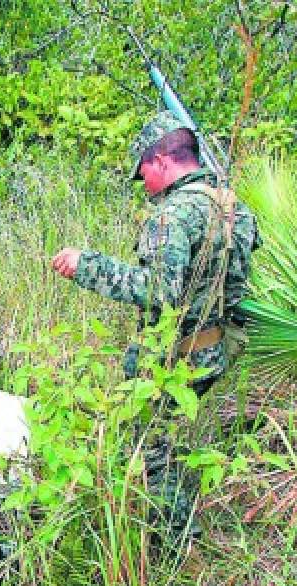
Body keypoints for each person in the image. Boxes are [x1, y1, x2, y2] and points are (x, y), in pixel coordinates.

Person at [50, 110, 258, 540]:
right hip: (219, 346)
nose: (143, 186)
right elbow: (238, 275)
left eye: (142, 173)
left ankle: (176, 537)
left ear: (162, 162)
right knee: (164, 435)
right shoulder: (232, 206)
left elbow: (160, 291)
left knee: (146, 442)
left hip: (178, 353)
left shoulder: (172, 217)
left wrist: (87, 265)